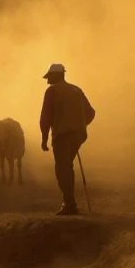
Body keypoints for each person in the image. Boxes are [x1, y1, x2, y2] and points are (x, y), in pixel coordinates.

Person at [38, 62, 96, 216]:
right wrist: (79, 125)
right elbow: (91, 113)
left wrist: (44, 139)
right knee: (67, 166)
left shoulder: (52, 91)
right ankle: (69, 202)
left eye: (50, 77)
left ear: (57, 75)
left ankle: (69, 204)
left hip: (62, 136)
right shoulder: (76, 90)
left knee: (62, 169)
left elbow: (45, 117)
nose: (47, 80)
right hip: (78, 135)